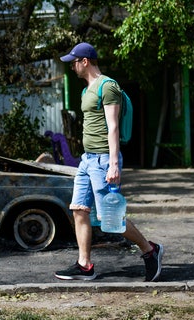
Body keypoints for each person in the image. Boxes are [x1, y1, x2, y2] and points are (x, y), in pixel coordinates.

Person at [54, 42, 164, 282]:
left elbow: (113, 126)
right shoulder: (86, 90)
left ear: (85, 61)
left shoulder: (108, 86)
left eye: (74, 62)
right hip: (87, 160)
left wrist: (114, 163)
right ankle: (85, 265)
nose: (72, 66)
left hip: (104, 160)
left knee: (109, 218)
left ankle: (149, 250)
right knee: (79, 210)